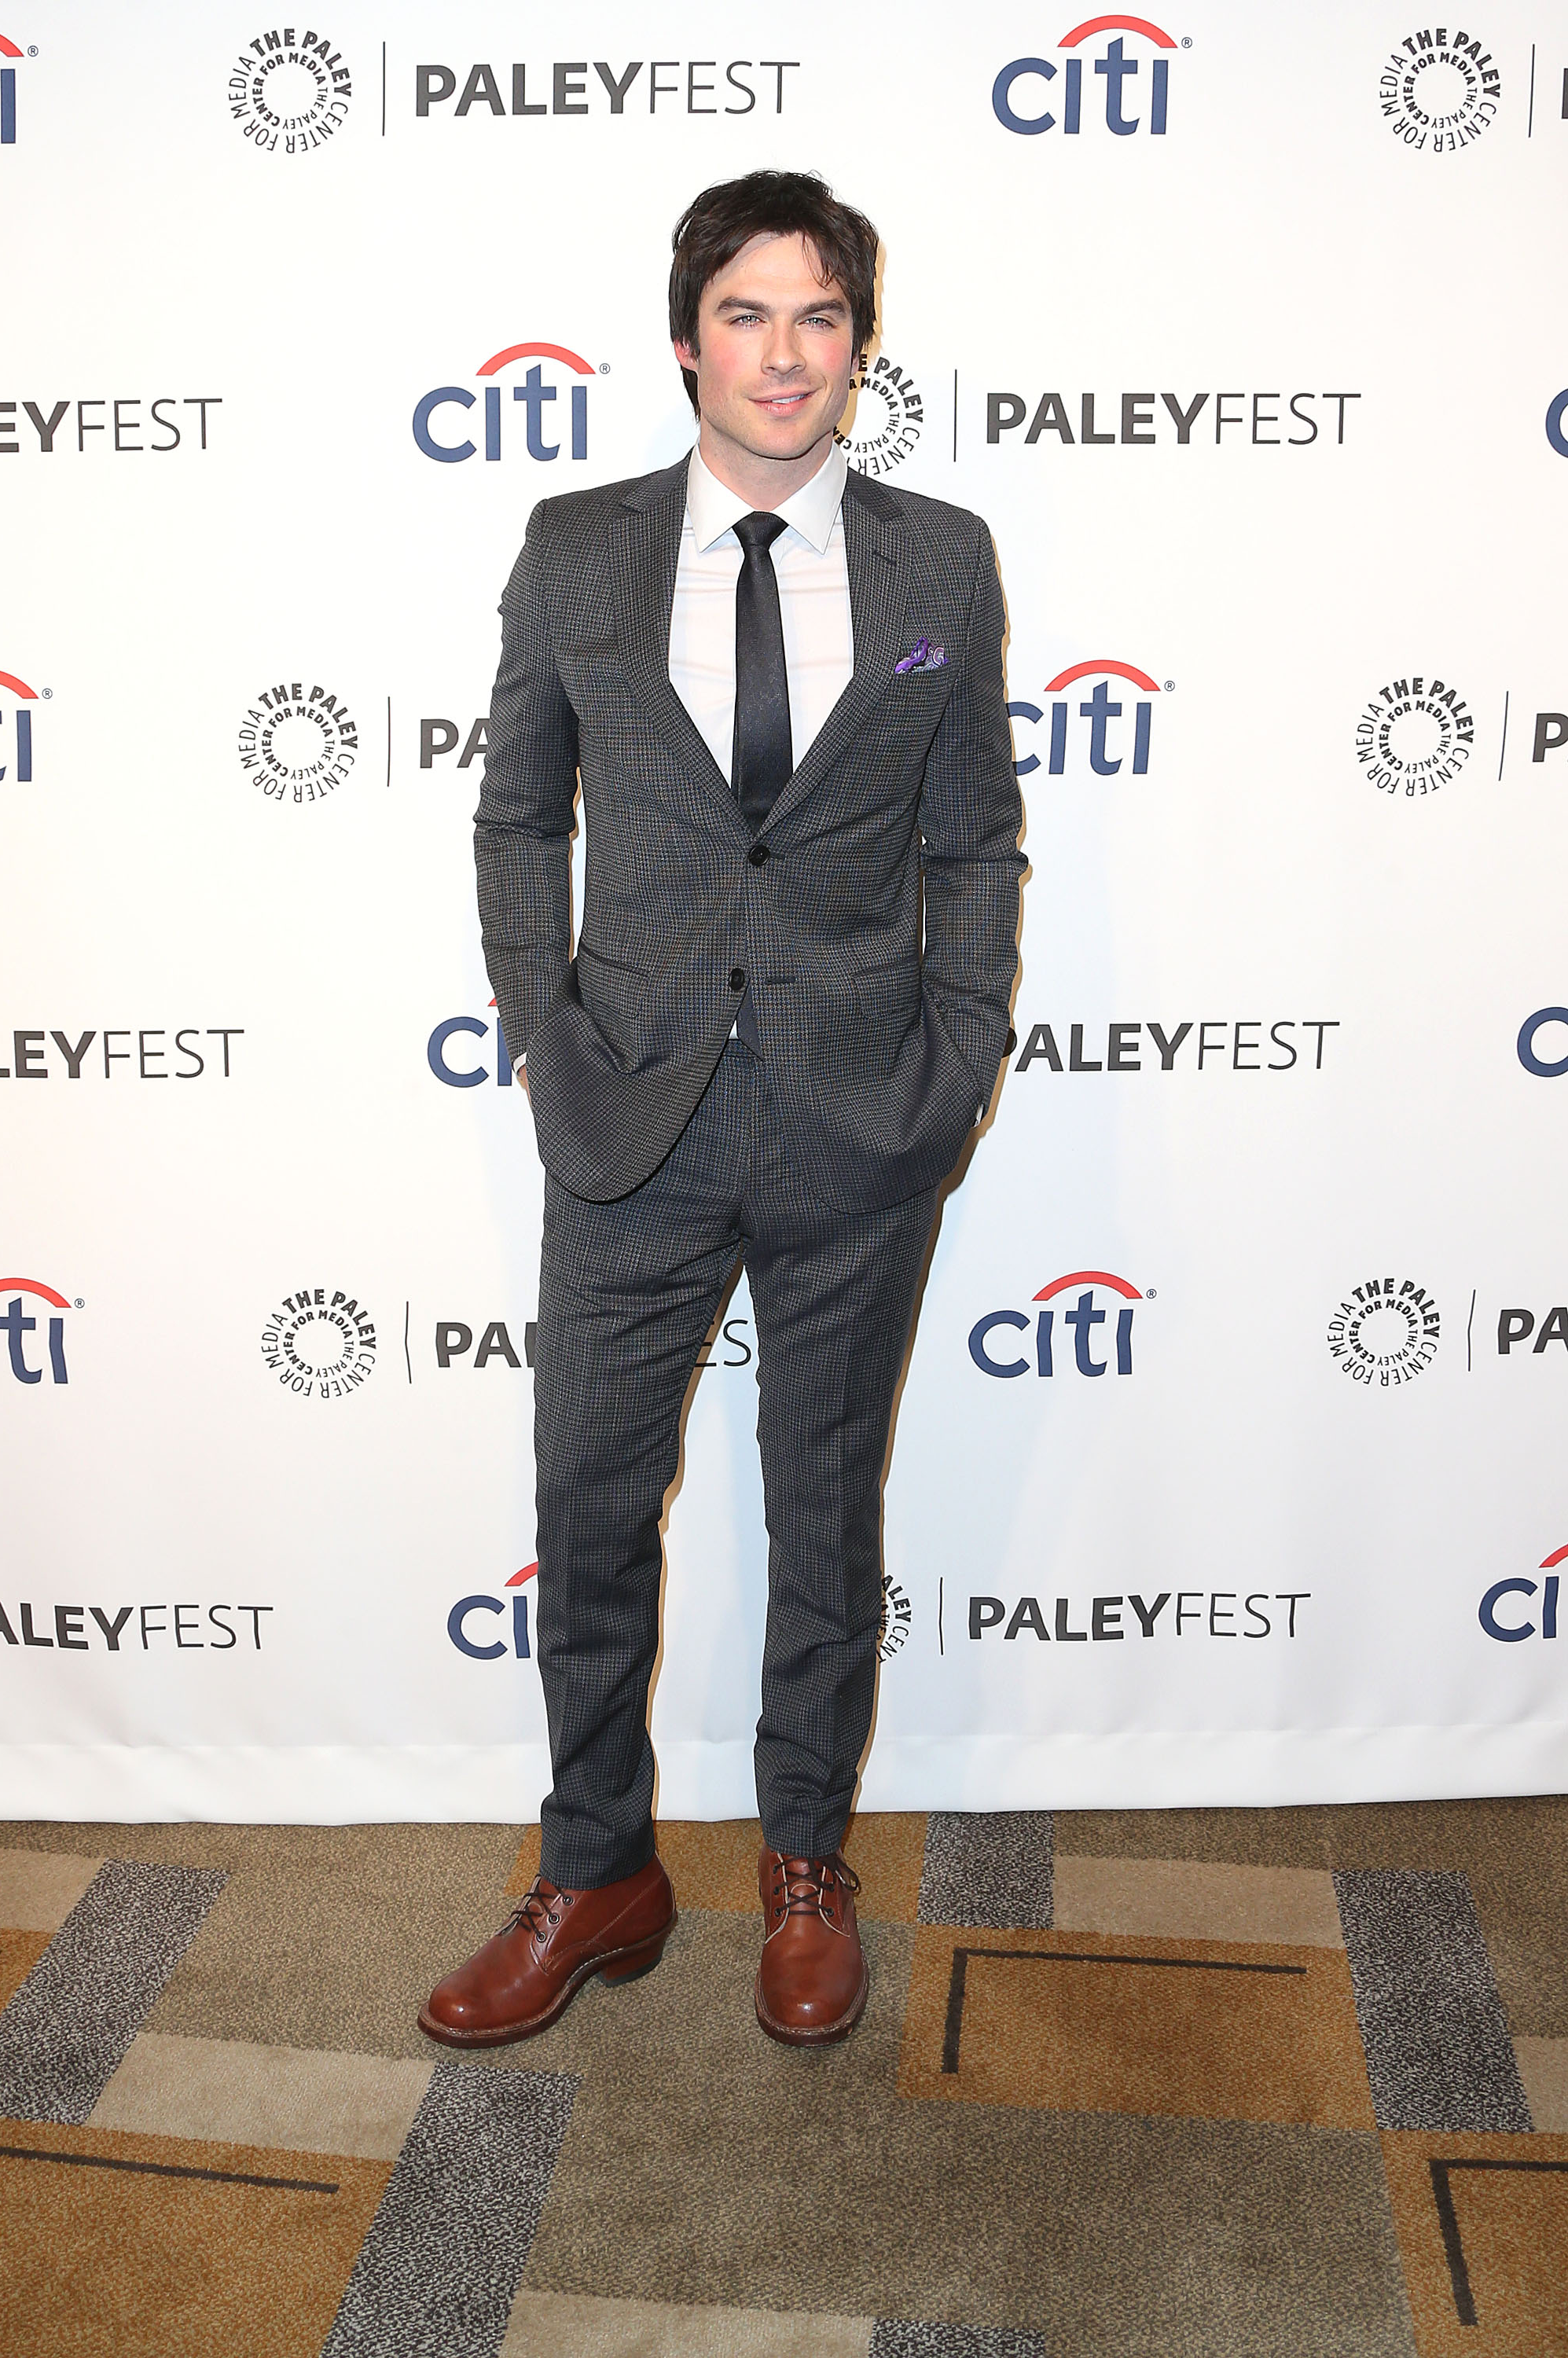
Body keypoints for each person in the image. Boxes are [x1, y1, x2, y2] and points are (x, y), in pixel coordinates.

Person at [421, 169, 1024, 2052]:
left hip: (862, 1122)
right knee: (591, 1500)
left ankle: (805, 1865)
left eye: (819, 315)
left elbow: (974, 839)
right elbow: (517, 816)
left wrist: (959, 1054)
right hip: (634, 1119)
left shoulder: (940, 561)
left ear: (861, 344)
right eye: (747, 315)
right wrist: (549, 1036)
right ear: (686, 342)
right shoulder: (577, 548)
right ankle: (597, 1867)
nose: (784, 353)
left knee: (825, 1508)